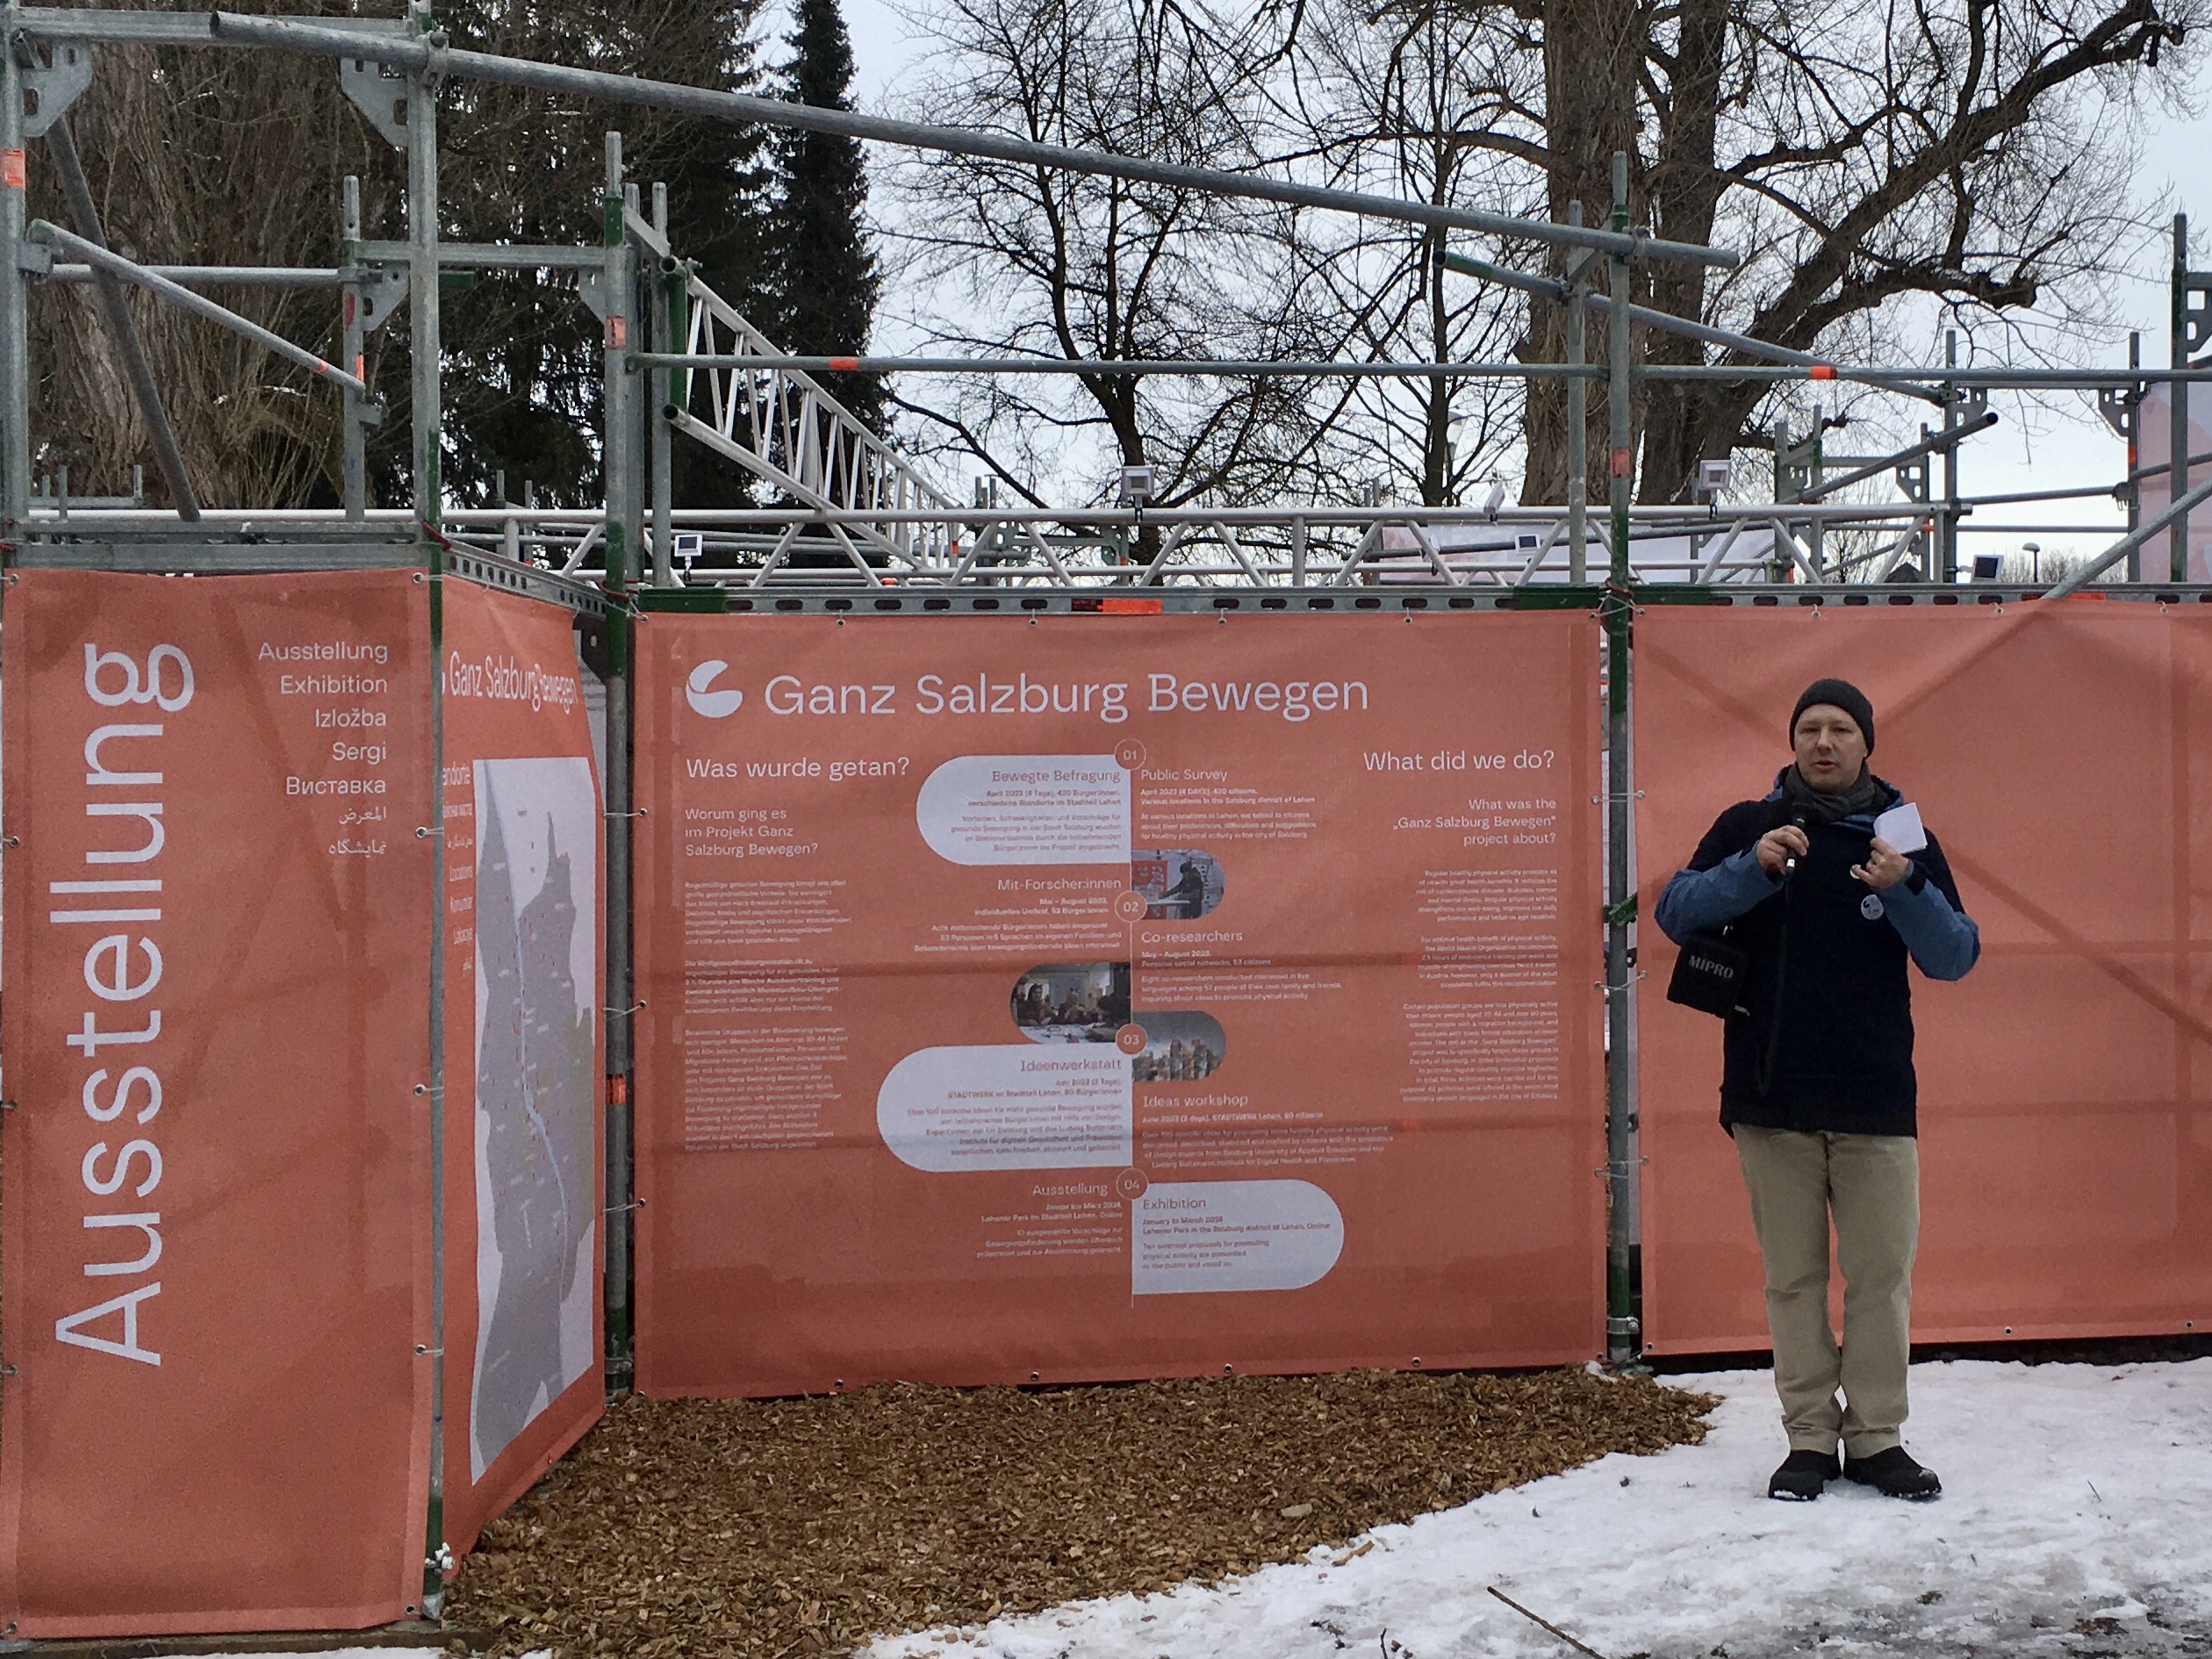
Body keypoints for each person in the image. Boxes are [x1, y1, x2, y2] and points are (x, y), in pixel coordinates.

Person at [1654, 679, 1979, 1504]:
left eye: (1841, 729)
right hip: (1771, 1095)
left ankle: (1875, 1439)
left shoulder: (1905, 835)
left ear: (1868, 744)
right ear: (1792, 743)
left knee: (1880, 1278)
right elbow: (1674, 910)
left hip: (1874, 1098)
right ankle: (1808, 1439)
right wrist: (1751, 872)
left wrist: (1904, 885)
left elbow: (1954, 956)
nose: (1824, 743)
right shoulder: (1749, 826)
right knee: (1792, 1279)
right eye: (1809, 729)